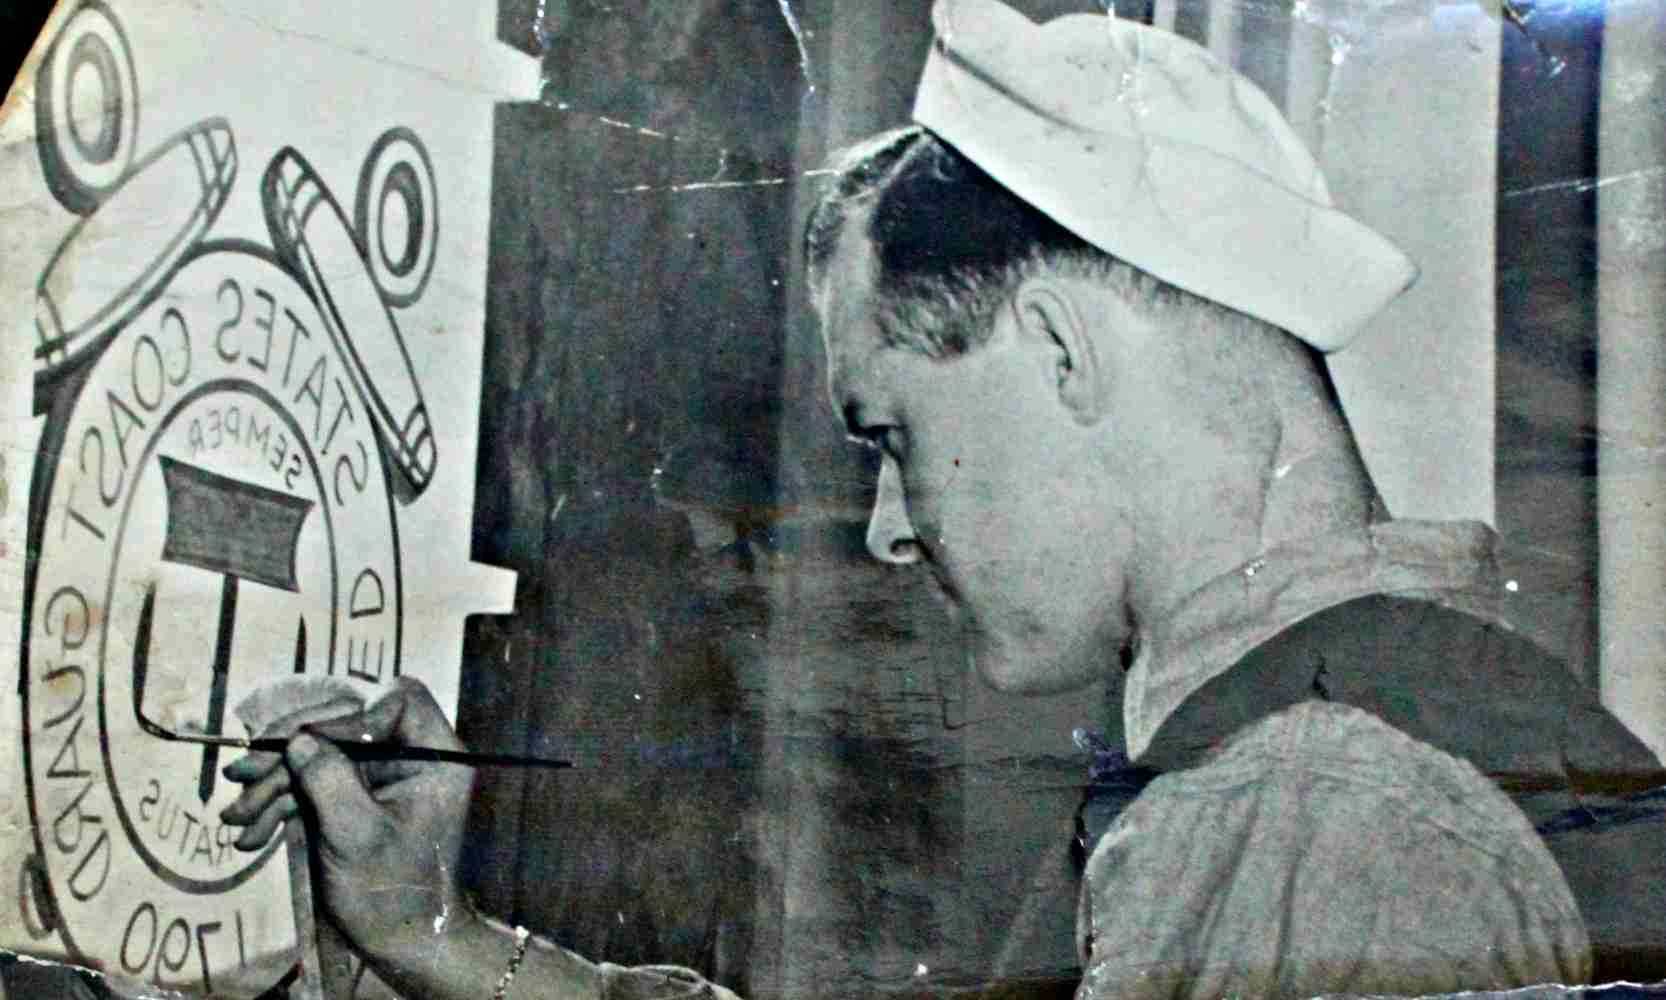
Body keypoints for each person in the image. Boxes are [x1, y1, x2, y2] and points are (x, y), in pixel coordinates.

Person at [222, 0, 1666, 996]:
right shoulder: (1382, 735)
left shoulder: (1311, 805)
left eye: (892, 435)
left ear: (1055, 345)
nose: (887, 530)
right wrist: (437, 937)